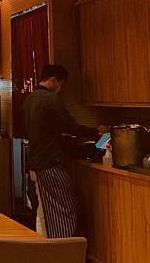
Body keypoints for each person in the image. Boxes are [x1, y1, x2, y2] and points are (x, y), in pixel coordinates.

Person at [24, 64, 107, 238]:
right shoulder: (50, 99)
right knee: (63, 208)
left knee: (43, 210)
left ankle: (43, 246)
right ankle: (66, 249)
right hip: (49, 161)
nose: (60, 88)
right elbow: (69, 126)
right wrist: (95, 131)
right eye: (61, 83)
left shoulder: (30, 99)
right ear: (54, 80)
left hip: (35, 161)